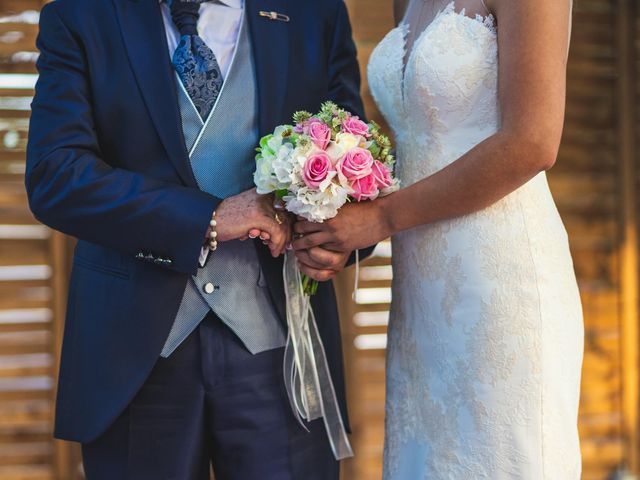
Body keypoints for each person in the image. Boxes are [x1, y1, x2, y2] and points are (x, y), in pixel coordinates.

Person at [26, 0, 366, 478]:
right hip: (133, 353)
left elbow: (357, 163)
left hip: (279, 348)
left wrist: (333, 237)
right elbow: (55, 175)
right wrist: (210, 217)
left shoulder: (313, 13)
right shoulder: (81, 15)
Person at [293, 0, 584, 478]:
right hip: (421, 290)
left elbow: (532, 142)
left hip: (500, 276)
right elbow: (416, 136)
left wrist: (382, 218)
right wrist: (332, 200)